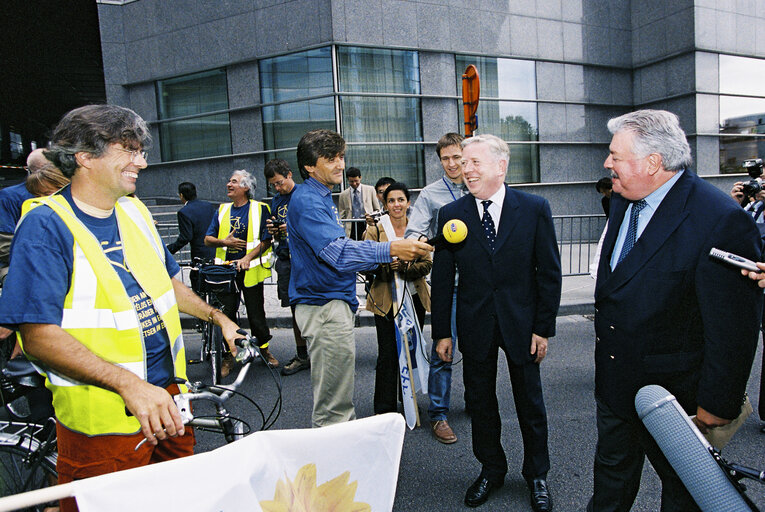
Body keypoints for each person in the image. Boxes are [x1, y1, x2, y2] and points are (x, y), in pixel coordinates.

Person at [0, 104, 242, 512]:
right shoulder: (46, 225)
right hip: (103, 423)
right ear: (85, 156)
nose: (142, 162)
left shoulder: (135, 211)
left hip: (166, 402)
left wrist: (217, 317)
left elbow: (166, 285)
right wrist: (130, 386)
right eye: (129, 150)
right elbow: (38, 338)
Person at [588, 109, 763, 511]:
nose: (607, 163)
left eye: (615, 155)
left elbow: (733, 328)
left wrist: (716, 405)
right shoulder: (622, 200)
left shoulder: (720, 221)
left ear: (653, 163)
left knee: (682, 495)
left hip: (678, 400)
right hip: (615, 386)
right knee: (610, 485)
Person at [431, 134, 561, 511]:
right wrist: (442, 331)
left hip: (522, 324)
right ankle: (491, 468)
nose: (464, 169)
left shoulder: (534, 208)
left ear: (500, 166)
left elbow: (548, 273)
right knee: (481, 402)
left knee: (530, 403)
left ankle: (537, 474)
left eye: (473, 162)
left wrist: (543, 327)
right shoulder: (452, 215)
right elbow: (442, 279)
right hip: (475, 324)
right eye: (462, 163)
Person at [287, 129, 432, 428]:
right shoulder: (310, 201)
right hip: (322, 306)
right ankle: (337, 471)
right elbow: (337, 254)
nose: (341, 165)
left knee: (337, 398)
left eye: (341, 157)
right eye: (331, 159)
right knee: (334, 409)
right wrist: (392, 247)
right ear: (310, 166)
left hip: (328, 304)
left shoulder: (321, 196)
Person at [405, 132, 467, 444]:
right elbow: (415, 232)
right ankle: (439, 415)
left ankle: (478, 403)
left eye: (457, 157)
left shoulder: (481, 187)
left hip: (481, 287)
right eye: (446, 158)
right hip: (450, 286)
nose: (452, 163)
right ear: (440, 160)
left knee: (479, 350)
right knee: (443, 349)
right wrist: (424, 243)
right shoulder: (430, 195)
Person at [363, 182, 431, 414]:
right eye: (391, 201)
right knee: (388, 354)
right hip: (386, 301)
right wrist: (385, 266)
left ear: (408, 202)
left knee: (411, 351)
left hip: (414, 300)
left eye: (401, 200)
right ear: (385, 204)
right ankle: (385, 408)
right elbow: (366, 263)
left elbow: (426, 264)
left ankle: (409, 403)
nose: (396, 205)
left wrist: (404, 269)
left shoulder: (417, 228)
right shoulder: (375, 230)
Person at [204, 170, 278, 371]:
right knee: (227, 314)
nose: (229, 184)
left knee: (256, 314)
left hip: (251, 270)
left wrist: (247, 258)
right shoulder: (221, 210)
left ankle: (263, 349)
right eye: (229, 180)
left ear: (246, 187)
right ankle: (229, 354)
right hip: (226, 272)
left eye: (234, 181)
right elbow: (207, 239)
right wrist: (223, 241)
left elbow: (266, 239)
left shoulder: (261, 208)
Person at [263, 158, 310, 376]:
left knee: (310, 306)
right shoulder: (276, 200)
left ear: (290, 175)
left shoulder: (304, 195)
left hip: (305, 259)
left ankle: (316, 353)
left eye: (280, 182)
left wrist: (291, 229)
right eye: (274, 184)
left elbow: (312, 226)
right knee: (294, 309)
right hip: (284, 258)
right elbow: (275, 224)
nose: (278, 187)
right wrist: (274, 230)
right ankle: (302, 355)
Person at [167, 182, 216, 262]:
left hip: (199, 254)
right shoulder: (208, 206)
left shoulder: (184, 212)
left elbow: (186, 237)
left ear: (181, 195)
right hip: (215, 249)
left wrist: (169, 250)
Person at [338, 166, 380, 240]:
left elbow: (377, 209)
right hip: (351, 226)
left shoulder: (370, 190)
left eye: (356, 181)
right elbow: (342, 215)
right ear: (347, 180)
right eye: (351, 181)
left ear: (360, 177)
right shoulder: (343, 195)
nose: (354, 183)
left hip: (366, 223)